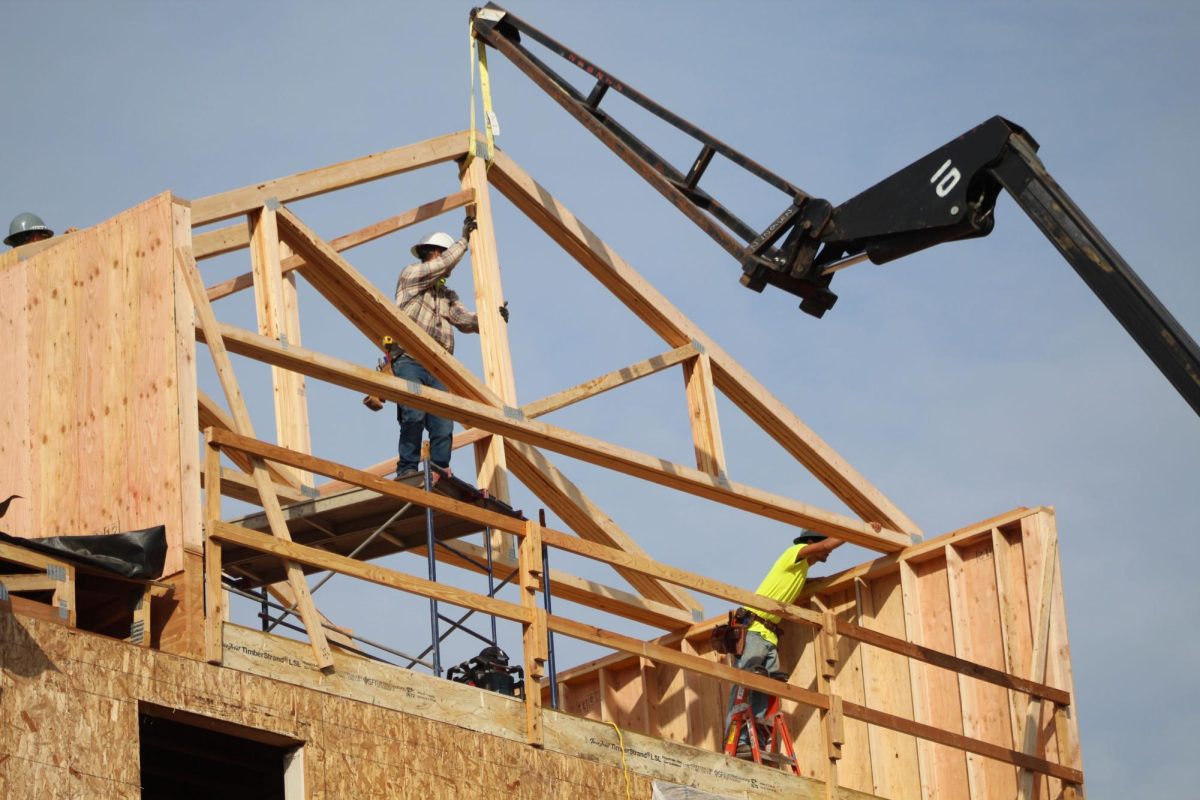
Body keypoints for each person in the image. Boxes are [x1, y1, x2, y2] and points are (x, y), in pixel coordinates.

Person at [391, 214, 509, 480]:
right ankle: (407, 469)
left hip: (439, 366)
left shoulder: (446, 295)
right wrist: (464, 241)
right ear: (432, 253)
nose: (449, 269)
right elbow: (443, 265)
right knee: (413, 415)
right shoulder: (411, 275)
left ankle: (438, 469)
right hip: (409, 358)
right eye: (443, 257)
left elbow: (463, 319)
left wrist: (492, 318)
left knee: (443, 424)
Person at [725, 529, 843, 755]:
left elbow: (789, 584)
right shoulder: (794, 553)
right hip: (754, 631)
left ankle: (752, 742)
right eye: (821, 543)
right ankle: (737, 739)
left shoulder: (799, 571)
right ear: (810, 543)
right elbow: (826, 547)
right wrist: (856, 533)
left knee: (766, 691)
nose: (827, 551)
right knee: (745, 684)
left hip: (769, 637)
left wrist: (813, 582)